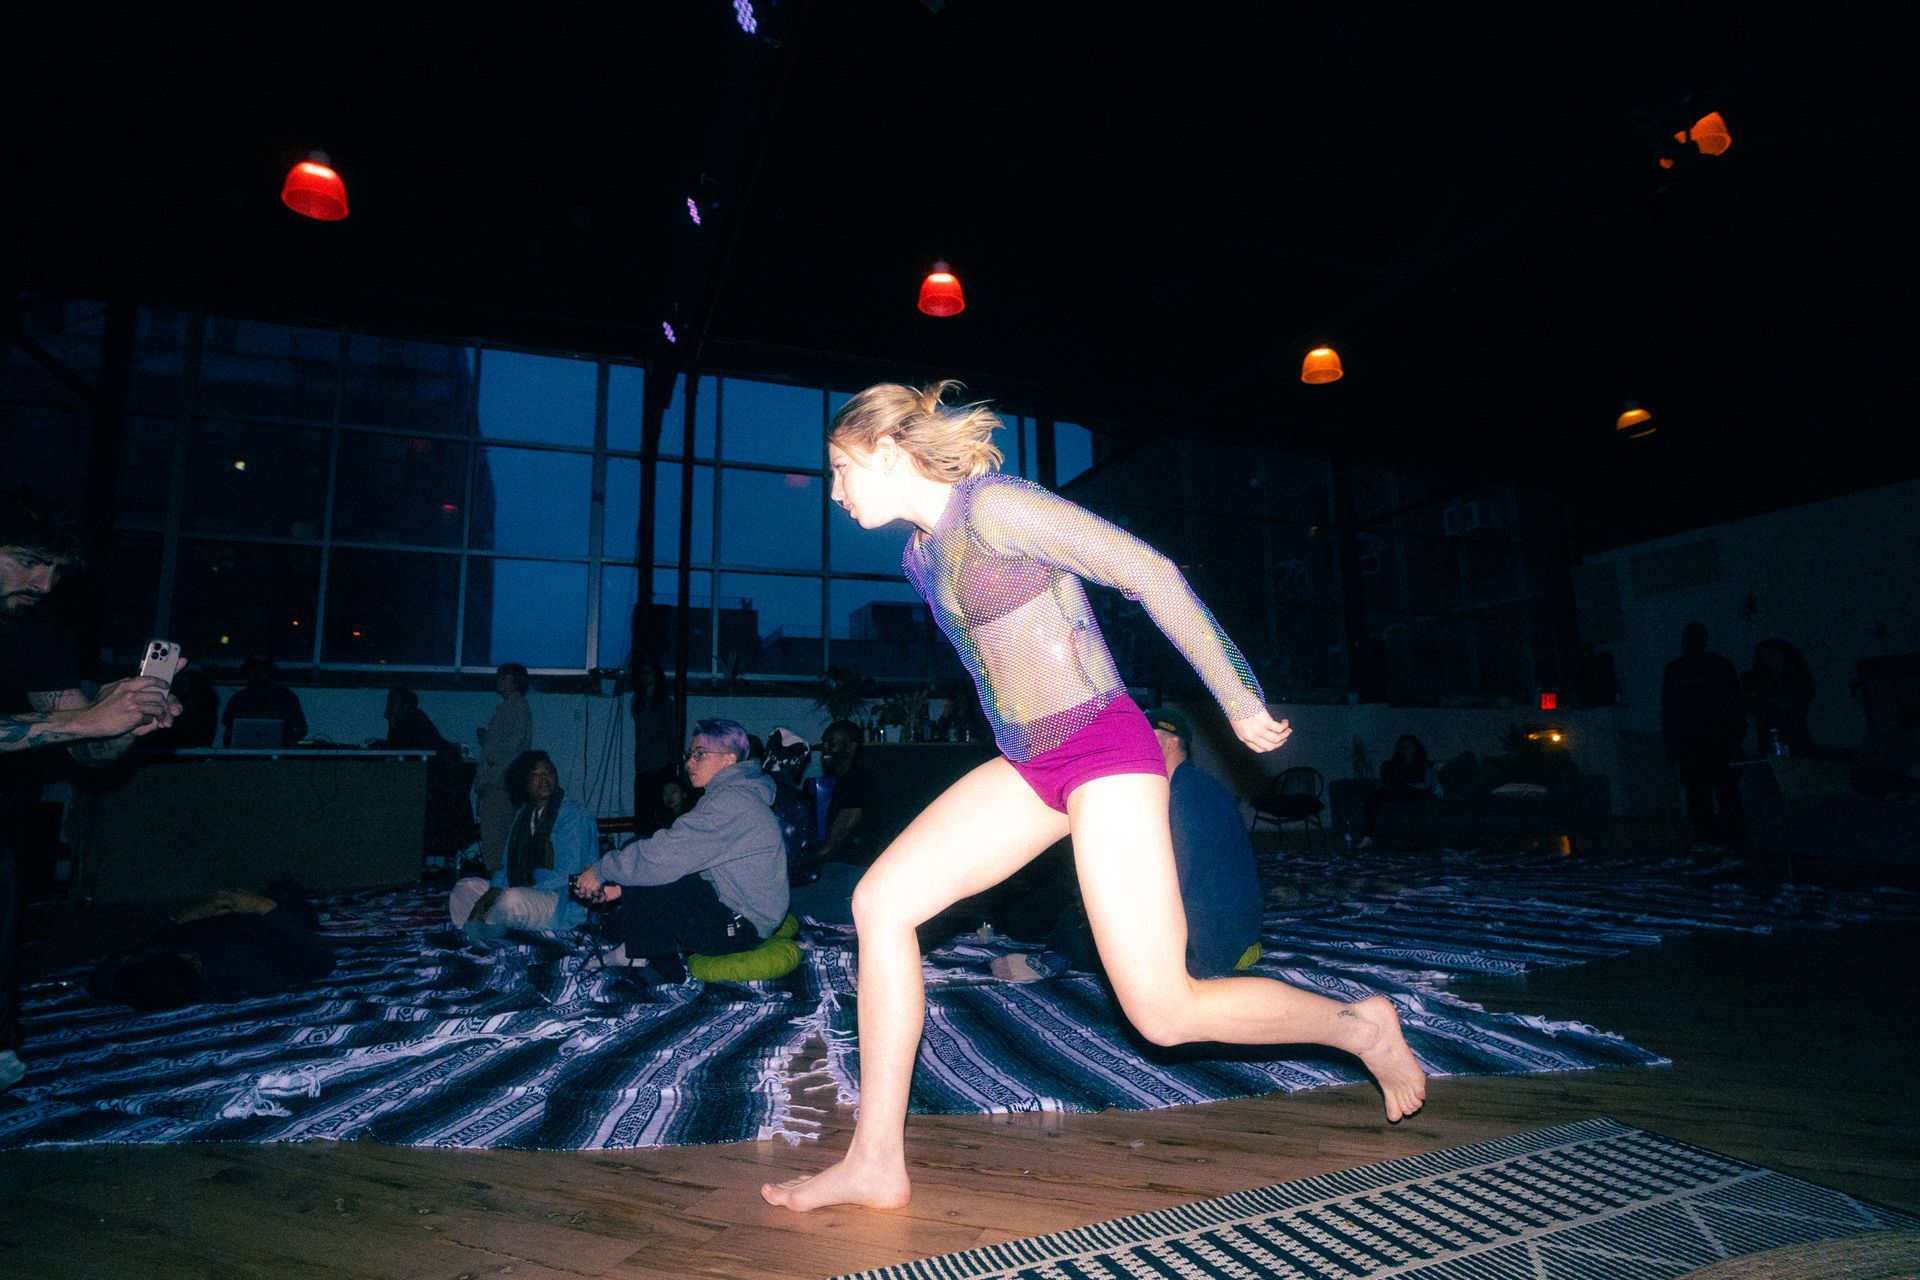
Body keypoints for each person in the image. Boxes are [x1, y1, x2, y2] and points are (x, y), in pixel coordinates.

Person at [763, 382, 1424, 1214]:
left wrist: (1239, 697)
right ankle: (875, 1161)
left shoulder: (996, 506)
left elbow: (1148, 572)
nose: (834, 489)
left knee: (1164, 1012)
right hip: (1029, 761)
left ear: (888, 453)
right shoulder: (921, 554)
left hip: (1104, 748)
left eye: (838, 469)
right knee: (881, 904)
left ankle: (1359, 1026)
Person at [2, 489, 183, 1089]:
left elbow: (88, 749)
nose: (44, 582)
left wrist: (125, 723)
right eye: (28, 560)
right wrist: (81, 721)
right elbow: (72, 725)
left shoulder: (36, 630)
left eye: (54, 570)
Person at [992, 704, 1263, 984]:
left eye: (1148, 736)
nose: (1137, 743)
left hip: (1212, 935)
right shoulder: (1166, 789)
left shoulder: (1192, 792)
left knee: (1084, 927)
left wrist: (1099, 907)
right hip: (1197, 915)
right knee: (1045, 906)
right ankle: (1030, 928)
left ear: (1172, 743)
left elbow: (1174, 874)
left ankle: (1057, 954)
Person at [571, 719, 788, 983]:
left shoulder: (733, 802)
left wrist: (601, 869)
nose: (689, 763)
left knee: (655, 861)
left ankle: (655, 965)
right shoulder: (733, 796)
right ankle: (635, 952)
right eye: (690, 754)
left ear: (729, 760)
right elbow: (700, 868)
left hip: (742, 926)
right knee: (650, 860)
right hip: (737, 911)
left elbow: (665, 856)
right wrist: (621, 887)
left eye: (700, 754)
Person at [88, 886, 332, 1012]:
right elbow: (322, 961)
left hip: (223, 922)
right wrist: (266, 907)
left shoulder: (149, 980)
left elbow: (104, 975)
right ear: (190, 959)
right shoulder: (246, 965)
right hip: (273, 922)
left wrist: (182, 920)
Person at [448, 751, 597, 936]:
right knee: (464, 888)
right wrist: (489, 895)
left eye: (549, 772)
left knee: (511, 900)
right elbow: (504, 868)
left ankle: (487, 929)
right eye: (536, 773)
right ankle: (482, 929)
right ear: (524, 783)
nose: (544, 778)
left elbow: (568, 874)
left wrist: (515, 891)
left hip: (559, 898)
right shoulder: (522, 817)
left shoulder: (574, 816)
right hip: (521, 891)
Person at [1661, 624, 1747, 849]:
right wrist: (1672, 742)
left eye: (1694, 636)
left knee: (1725, 789)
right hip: (1693, 742)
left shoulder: (1718, 666)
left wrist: (1735, 738)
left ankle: (1732, 836)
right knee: (1699, 792)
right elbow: (1669, 709)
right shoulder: (1677, 669)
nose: (1690, 640)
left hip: (1718, 740)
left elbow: (1734, 704)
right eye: (1688, 636)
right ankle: (1707, 835)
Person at [474, 661, 533, 872]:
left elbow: (515, 743)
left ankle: (495, 882)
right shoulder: (509, 706)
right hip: (499, 780)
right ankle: (499, 879)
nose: (498, 681)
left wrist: (491, 757)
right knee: (497, 834)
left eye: (503, 677)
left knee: (494, 834)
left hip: (500, 782)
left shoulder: (518, 706)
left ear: (514, 681)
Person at [808, 719, 878, 866]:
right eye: (824, 743)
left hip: (852, 868)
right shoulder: (846, 780)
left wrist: (805, 863)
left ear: (851, 748)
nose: (825, 749)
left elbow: (839, 835)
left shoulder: (856, 782)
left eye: (832, 744)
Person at [630, 660, 681, 835]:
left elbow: (672, 735)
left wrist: (675, 766)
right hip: (643, 767)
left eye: (649, 673)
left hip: (662, 766)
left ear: (657, 676)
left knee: (662, 810)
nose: (645, 677)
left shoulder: (666, 704)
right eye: (643, 674)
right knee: (643, 811)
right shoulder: (638, 703)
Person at [1360, 734, 1435, 848]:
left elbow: (1424, 782)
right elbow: (1387, 779)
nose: (1405, 750)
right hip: (1397, 790)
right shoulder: (1392, 765)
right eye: (1402, 746)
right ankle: (1367, 837)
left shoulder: (1423, 765)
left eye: (1409, 746)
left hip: (1416, 791)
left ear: (1416, 748)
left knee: (1401, 790)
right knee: (1375, 795)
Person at [220, 655, 308, 747]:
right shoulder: (238, 698)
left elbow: (301, 728)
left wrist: (291, 743)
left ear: (270, 672)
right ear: (247, 673)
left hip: (279, 755)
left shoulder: (287, 697)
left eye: (263, 671)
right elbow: (228, 729)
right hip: (244, 753)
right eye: (254, 671)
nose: (258, 675)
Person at [1746, 639, 1815, 757]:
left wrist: (1763, 700)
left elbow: (1791, 702)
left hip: (1794, 734)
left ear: (1784, 654)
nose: (1768, 658)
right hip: (1766, 735)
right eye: (1764, 655)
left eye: (1772, 653)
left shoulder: (1799, 677)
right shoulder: (1759, 680)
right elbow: (1751, 706)